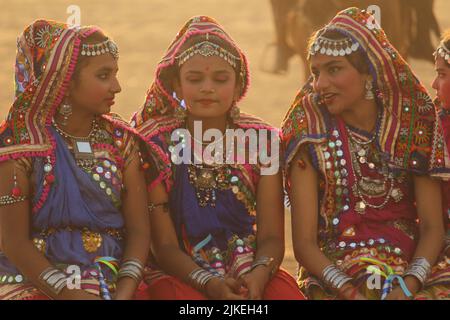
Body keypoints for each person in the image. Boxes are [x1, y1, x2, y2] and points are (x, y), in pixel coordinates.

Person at [281, 8, 450, 300]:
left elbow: (433, 228)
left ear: (368, 70)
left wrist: (409, 285)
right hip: (337, 269)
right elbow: (305, 245)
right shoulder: (308, 131)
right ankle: (279, 42)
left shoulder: (414, 123)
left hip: (415, 262)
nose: (320, 84)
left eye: (334, 69)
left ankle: (421, 29)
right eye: (315, 72)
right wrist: (347, 290)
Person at [132, 16, 304, 300]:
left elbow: (272, 237)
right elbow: (164, 247)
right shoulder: (153, 144)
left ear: (239, 86)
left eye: (220, 79)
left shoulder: (263, 141)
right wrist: (208, 283)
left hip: (249, 268)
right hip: (181, 271)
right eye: (195, 79)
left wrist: (260, 274)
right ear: (175, 84)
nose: (207, 87)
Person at [0, 20, 150, 300]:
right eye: (104, 76)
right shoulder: (19, 144)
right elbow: (13, 242)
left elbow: (140, 232)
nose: (117, 87)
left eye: (115, 74)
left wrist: (126, 290)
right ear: (64, 82)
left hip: (114, 278)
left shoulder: (120, 141)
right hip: (36, 283)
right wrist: (68, 293)